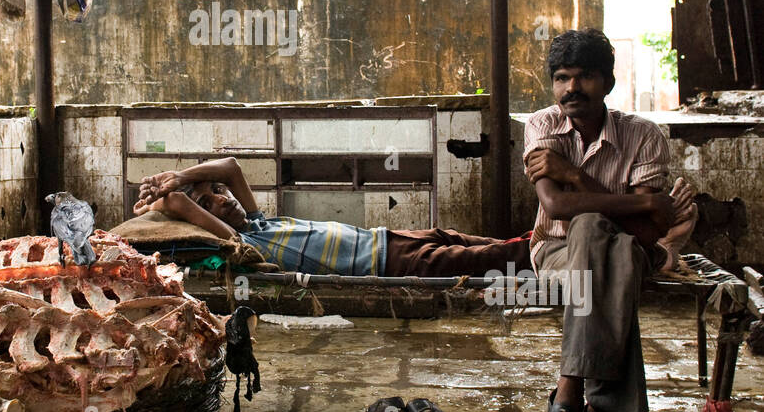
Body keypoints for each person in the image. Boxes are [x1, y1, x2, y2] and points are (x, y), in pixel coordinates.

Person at [524, 28, 697, 412]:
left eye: (584, 77)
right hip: (555, 252)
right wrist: (637, 202)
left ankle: (568, 395)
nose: (571, 88)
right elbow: (556, 205)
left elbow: (645, 230)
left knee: (604, 240)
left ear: (608, 83)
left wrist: (578, 177)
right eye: (561, 78)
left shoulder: (644, 135)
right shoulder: (542, 124)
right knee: (594, 235)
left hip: (626, 250)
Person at [132, 156, 535, 278]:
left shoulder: (259, 221)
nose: (222, 200)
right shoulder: (245, 245)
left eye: (217, 194)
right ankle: (554, 255)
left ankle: (545, 244)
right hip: (386, 263)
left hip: (386, 237)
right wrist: (160, 198)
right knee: (489, 261)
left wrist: (183, 176)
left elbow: (232, 168)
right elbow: (177, 207)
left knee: (468, 241)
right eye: (210, 204)